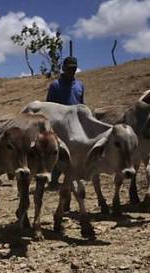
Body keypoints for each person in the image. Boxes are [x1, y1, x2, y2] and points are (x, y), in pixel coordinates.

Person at [45, 56, 84, 188]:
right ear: (63, 69)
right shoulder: (55, 86)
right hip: (59, 125)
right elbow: (49, 106)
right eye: (69, 69)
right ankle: (54, 179)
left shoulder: (80, 86)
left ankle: (73, 176)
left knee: (74, 151)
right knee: (58, 150)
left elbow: (81, 105)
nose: (71, 71)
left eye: (73, 69)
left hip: (76, 124)